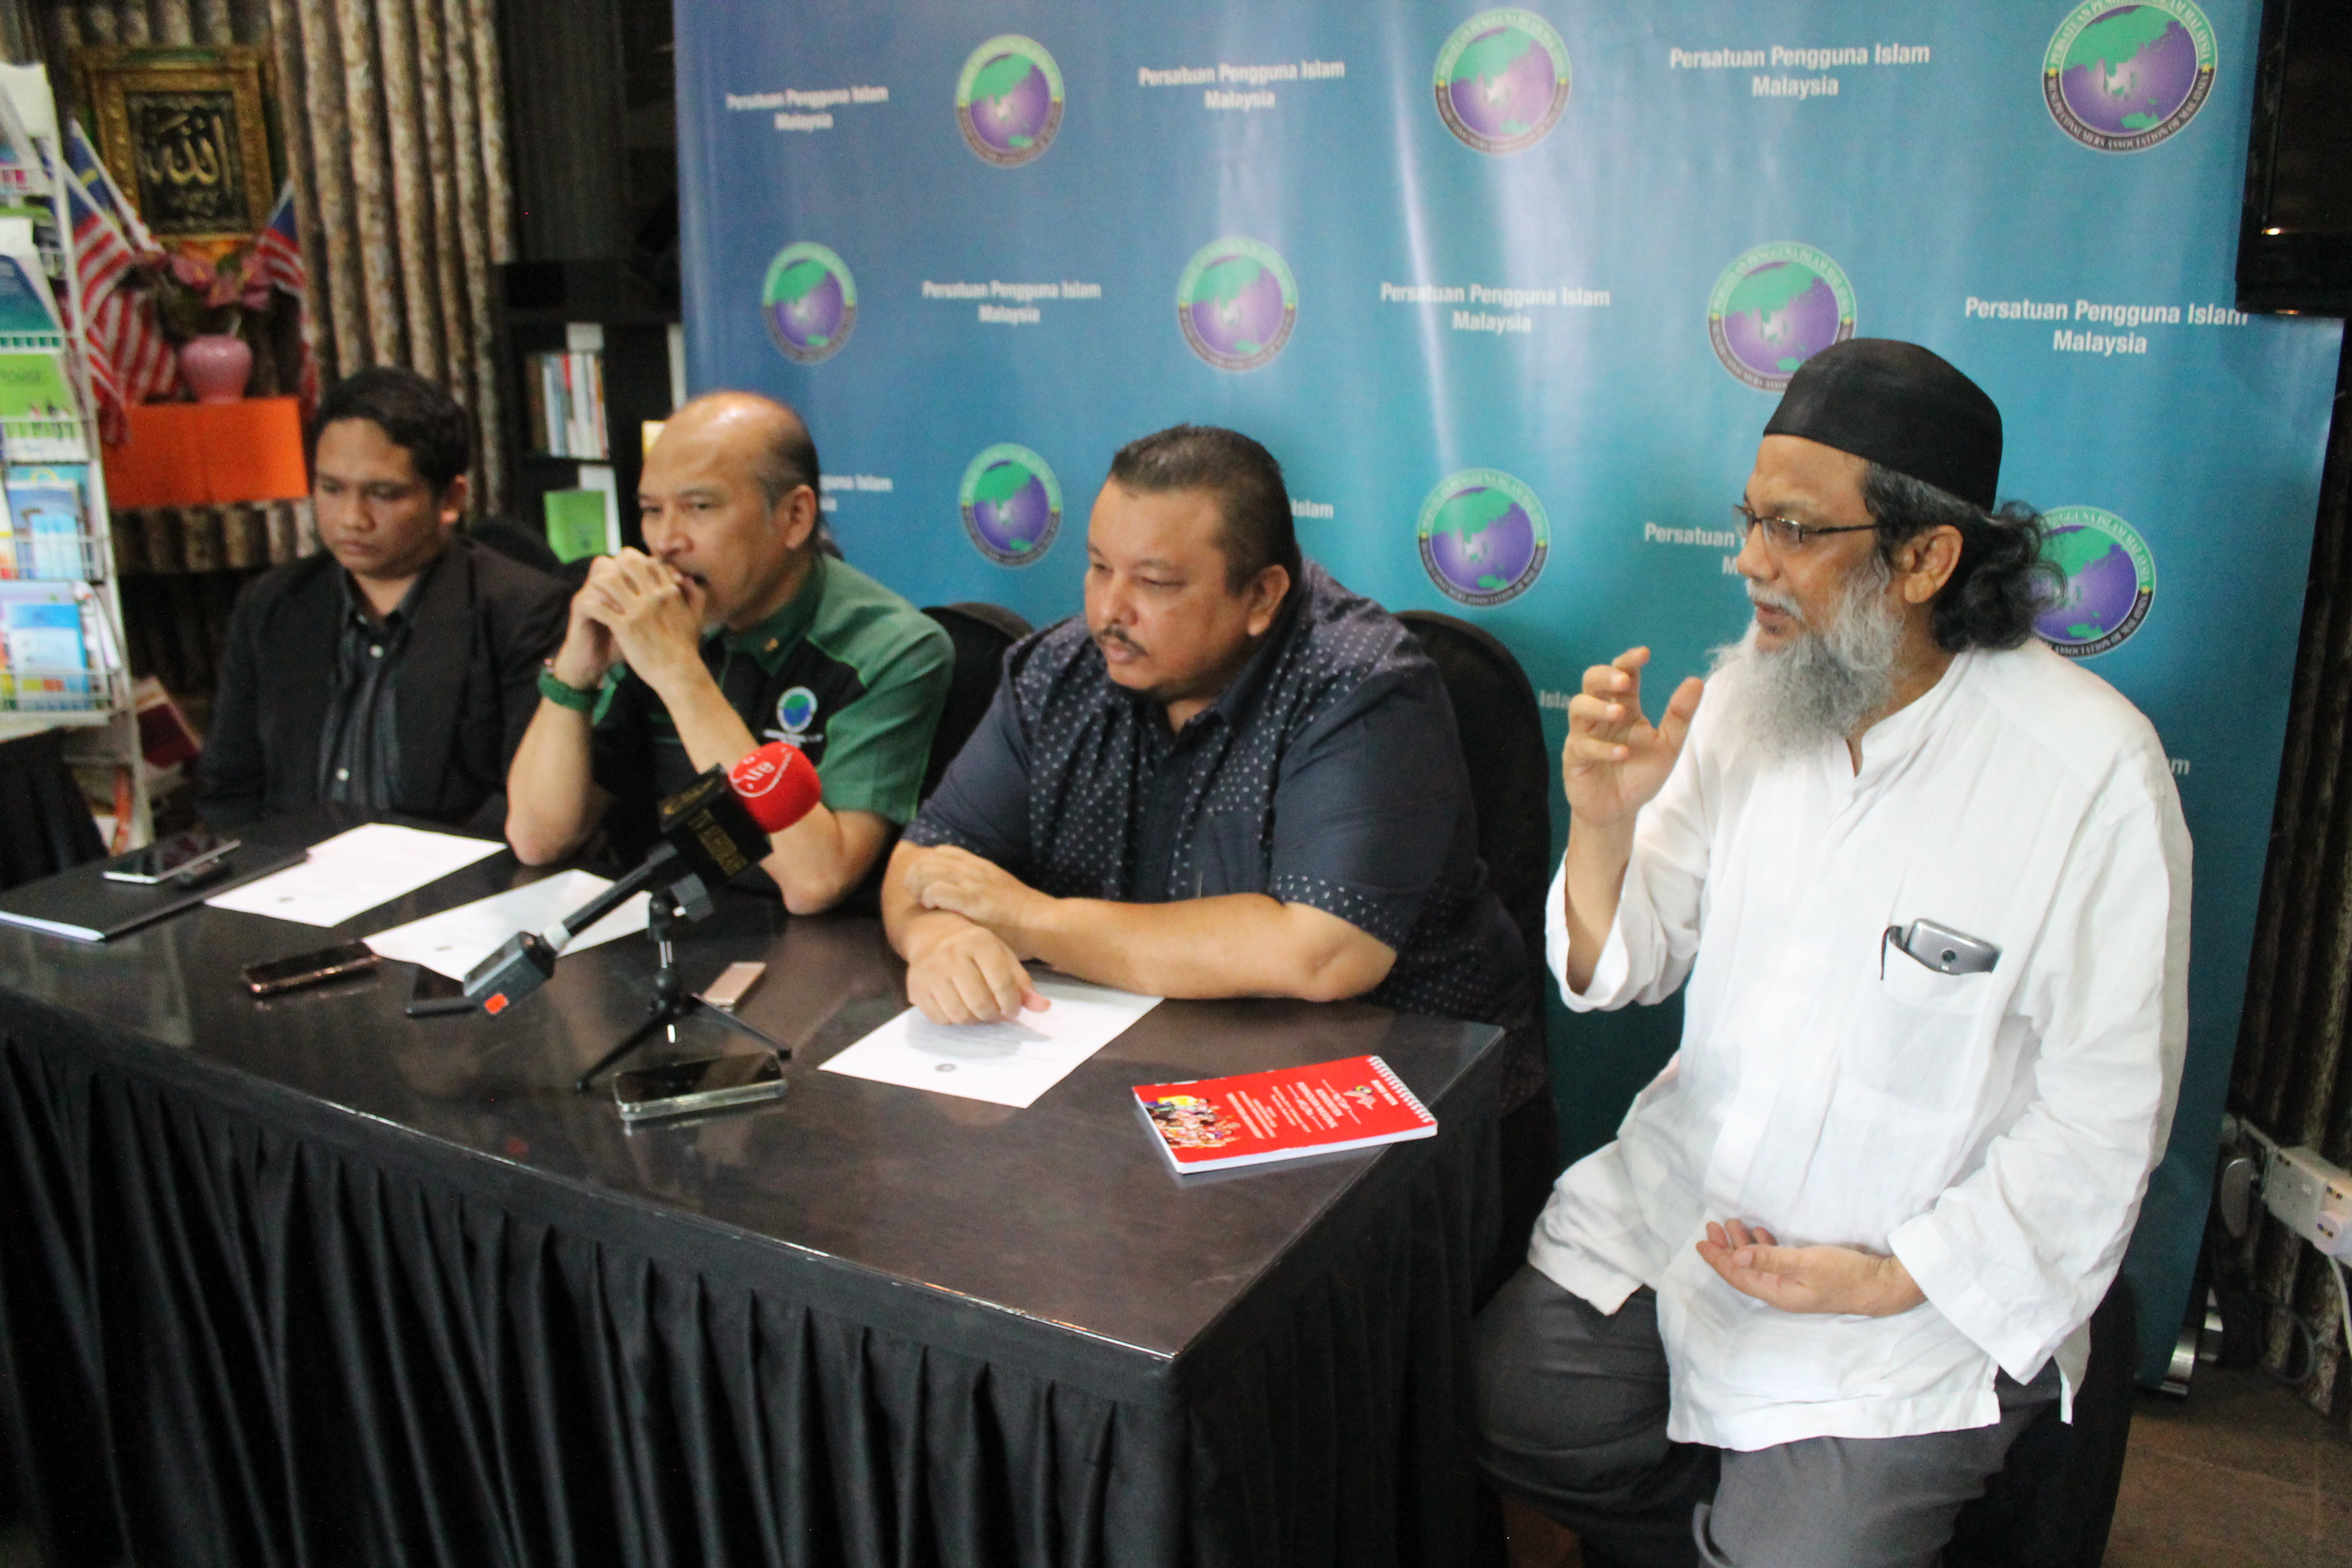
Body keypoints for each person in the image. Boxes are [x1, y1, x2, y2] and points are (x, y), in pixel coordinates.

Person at [1473, 339, 2192, 1568]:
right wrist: (1601, 824)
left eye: (1795, 530)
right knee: (1503, 1408)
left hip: (1900, 1290)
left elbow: (2104, 1115)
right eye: (1750, 520)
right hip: (1687, 1214)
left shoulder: (2092, 773)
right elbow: (1623, 968)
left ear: (1925, 557)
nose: (1750, 560)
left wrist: (1895, 1277)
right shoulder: (1750, 695)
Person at [884, 424, 1540, 1123]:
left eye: (1154, 582)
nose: (1109, 611)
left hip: (1385, 1099)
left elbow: (1322, 952)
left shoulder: (1362, 685)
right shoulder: (1060, 672)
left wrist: (1028, 921)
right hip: (1126, 1080)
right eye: (1099, 567)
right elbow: (923, 863)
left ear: (1261, 596)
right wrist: (944, 942)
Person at [506, 391, 951, 913]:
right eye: (651, 511)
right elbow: (538, 840)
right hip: (659, 919)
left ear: (795, 517)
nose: (665, 541)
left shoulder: (892, 648)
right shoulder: (656, 621)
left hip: (807, 945)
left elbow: (816, 881)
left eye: (700, 508)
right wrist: (575, 672)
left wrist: (679, 673)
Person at [199, 366, 569, 833]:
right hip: (290, 866)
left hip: (450, 868)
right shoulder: (273, 604)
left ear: (450, 499)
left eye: (383, 494)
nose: (352, 518)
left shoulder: (521, 611)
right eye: (331, 489)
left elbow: (521, 802)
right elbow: (229, 787)